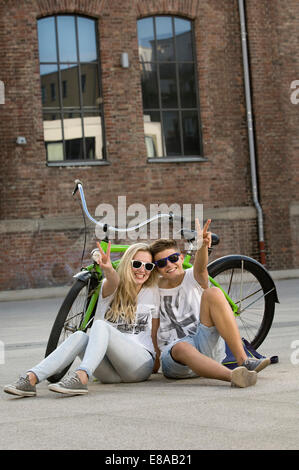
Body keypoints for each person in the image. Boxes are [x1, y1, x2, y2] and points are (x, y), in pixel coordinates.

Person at [4, 242, 160, 397]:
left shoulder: (153, 291)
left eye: (148, 266)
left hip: (138, 366)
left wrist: (158, 362)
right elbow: (113, 280)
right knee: (80, 336)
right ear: (127, 264)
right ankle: (30, 379)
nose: (142, 270)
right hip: (111, 372)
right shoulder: (111, 286)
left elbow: (154, 332)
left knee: (100, 325)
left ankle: (81, 376)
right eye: (137, 264)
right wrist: (108, 269)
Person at [149, 219, 271, 388]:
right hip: (176, 361)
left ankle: (244, 361)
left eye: (173, 258)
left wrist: (202, 245)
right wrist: (155, 360)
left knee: (213, 292)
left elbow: (200, 268)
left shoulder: (193, 276)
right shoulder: (154, 289)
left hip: (204, 343)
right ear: (157, 269)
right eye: (162, 263)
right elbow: (154, 329)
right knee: (181, 347)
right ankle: (234, 376)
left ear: (181, 257)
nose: (169, 264)